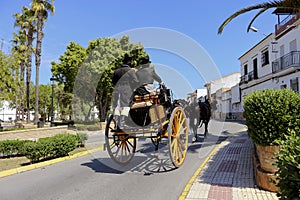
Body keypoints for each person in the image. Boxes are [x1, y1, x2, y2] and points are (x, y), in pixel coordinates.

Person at [112, 54, 138, 129]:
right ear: (129, 63)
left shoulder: (116, 71)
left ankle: (117, 124)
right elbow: (136, 81)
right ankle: (123, 123)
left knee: (117, 106)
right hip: (126, 89)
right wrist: (133, 87)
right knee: (126, 106)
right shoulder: (130, 71)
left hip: (117, 90)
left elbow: (113, 82)